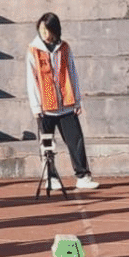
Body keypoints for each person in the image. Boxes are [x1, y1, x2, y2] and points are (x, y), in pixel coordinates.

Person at [25, 12, 99, 190]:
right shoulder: (33, 50)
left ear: (55, 30)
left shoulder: (65, 48)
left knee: (76, 141)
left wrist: (77, 100)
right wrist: (35, 106)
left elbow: (72, 72)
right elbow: (31, 79)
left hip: (66, 104)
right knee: (47, 145)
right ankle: (51, 177)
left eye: (47, 30)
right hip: (45, 107)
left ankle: (82, 176)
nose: (44, 33)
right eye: (41, 29)